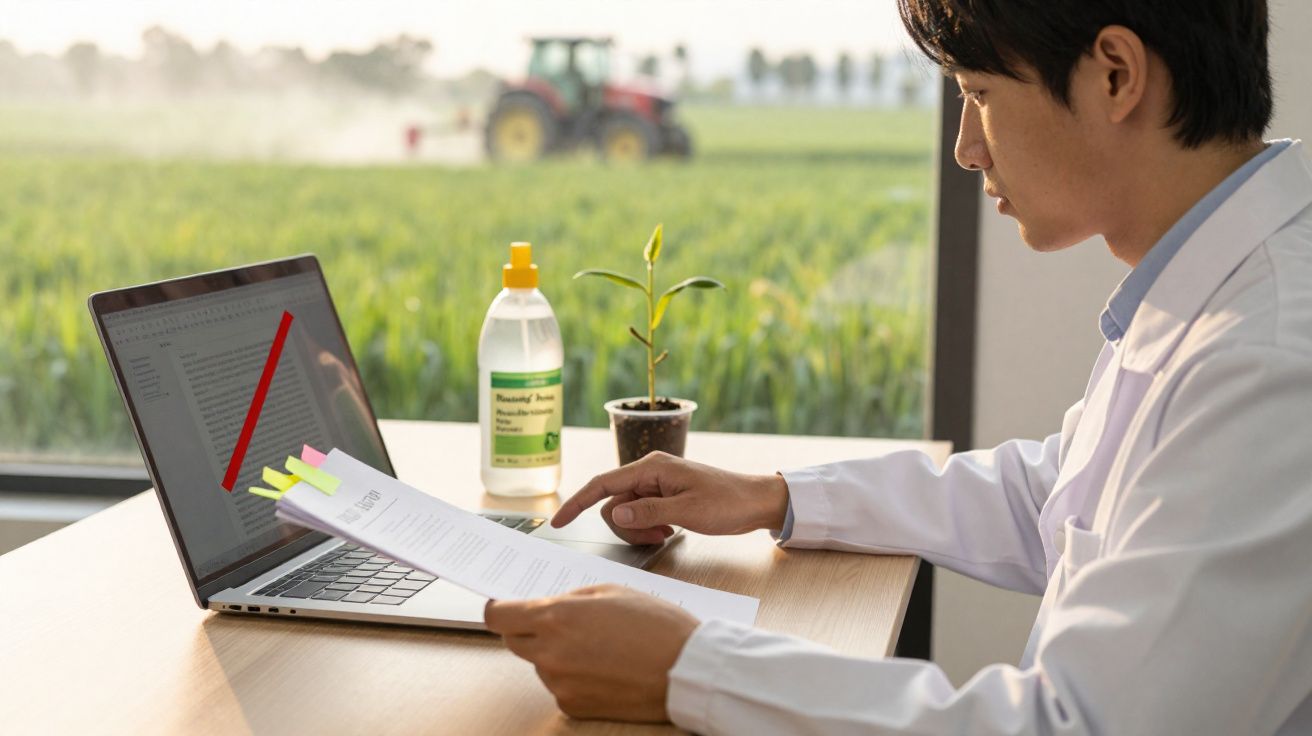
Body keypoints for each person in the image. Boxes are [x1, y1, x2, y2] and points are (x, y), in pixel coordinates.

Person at [484, 0, 1312, 732]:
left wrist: (693, 670)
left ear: (1115, 75)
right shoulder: (1211, 291)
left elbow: (1076, 727)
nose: (965, 148)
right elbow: (1058, 499)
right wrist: (775, 497)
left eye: (980, 94)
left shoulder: (1266, 365)